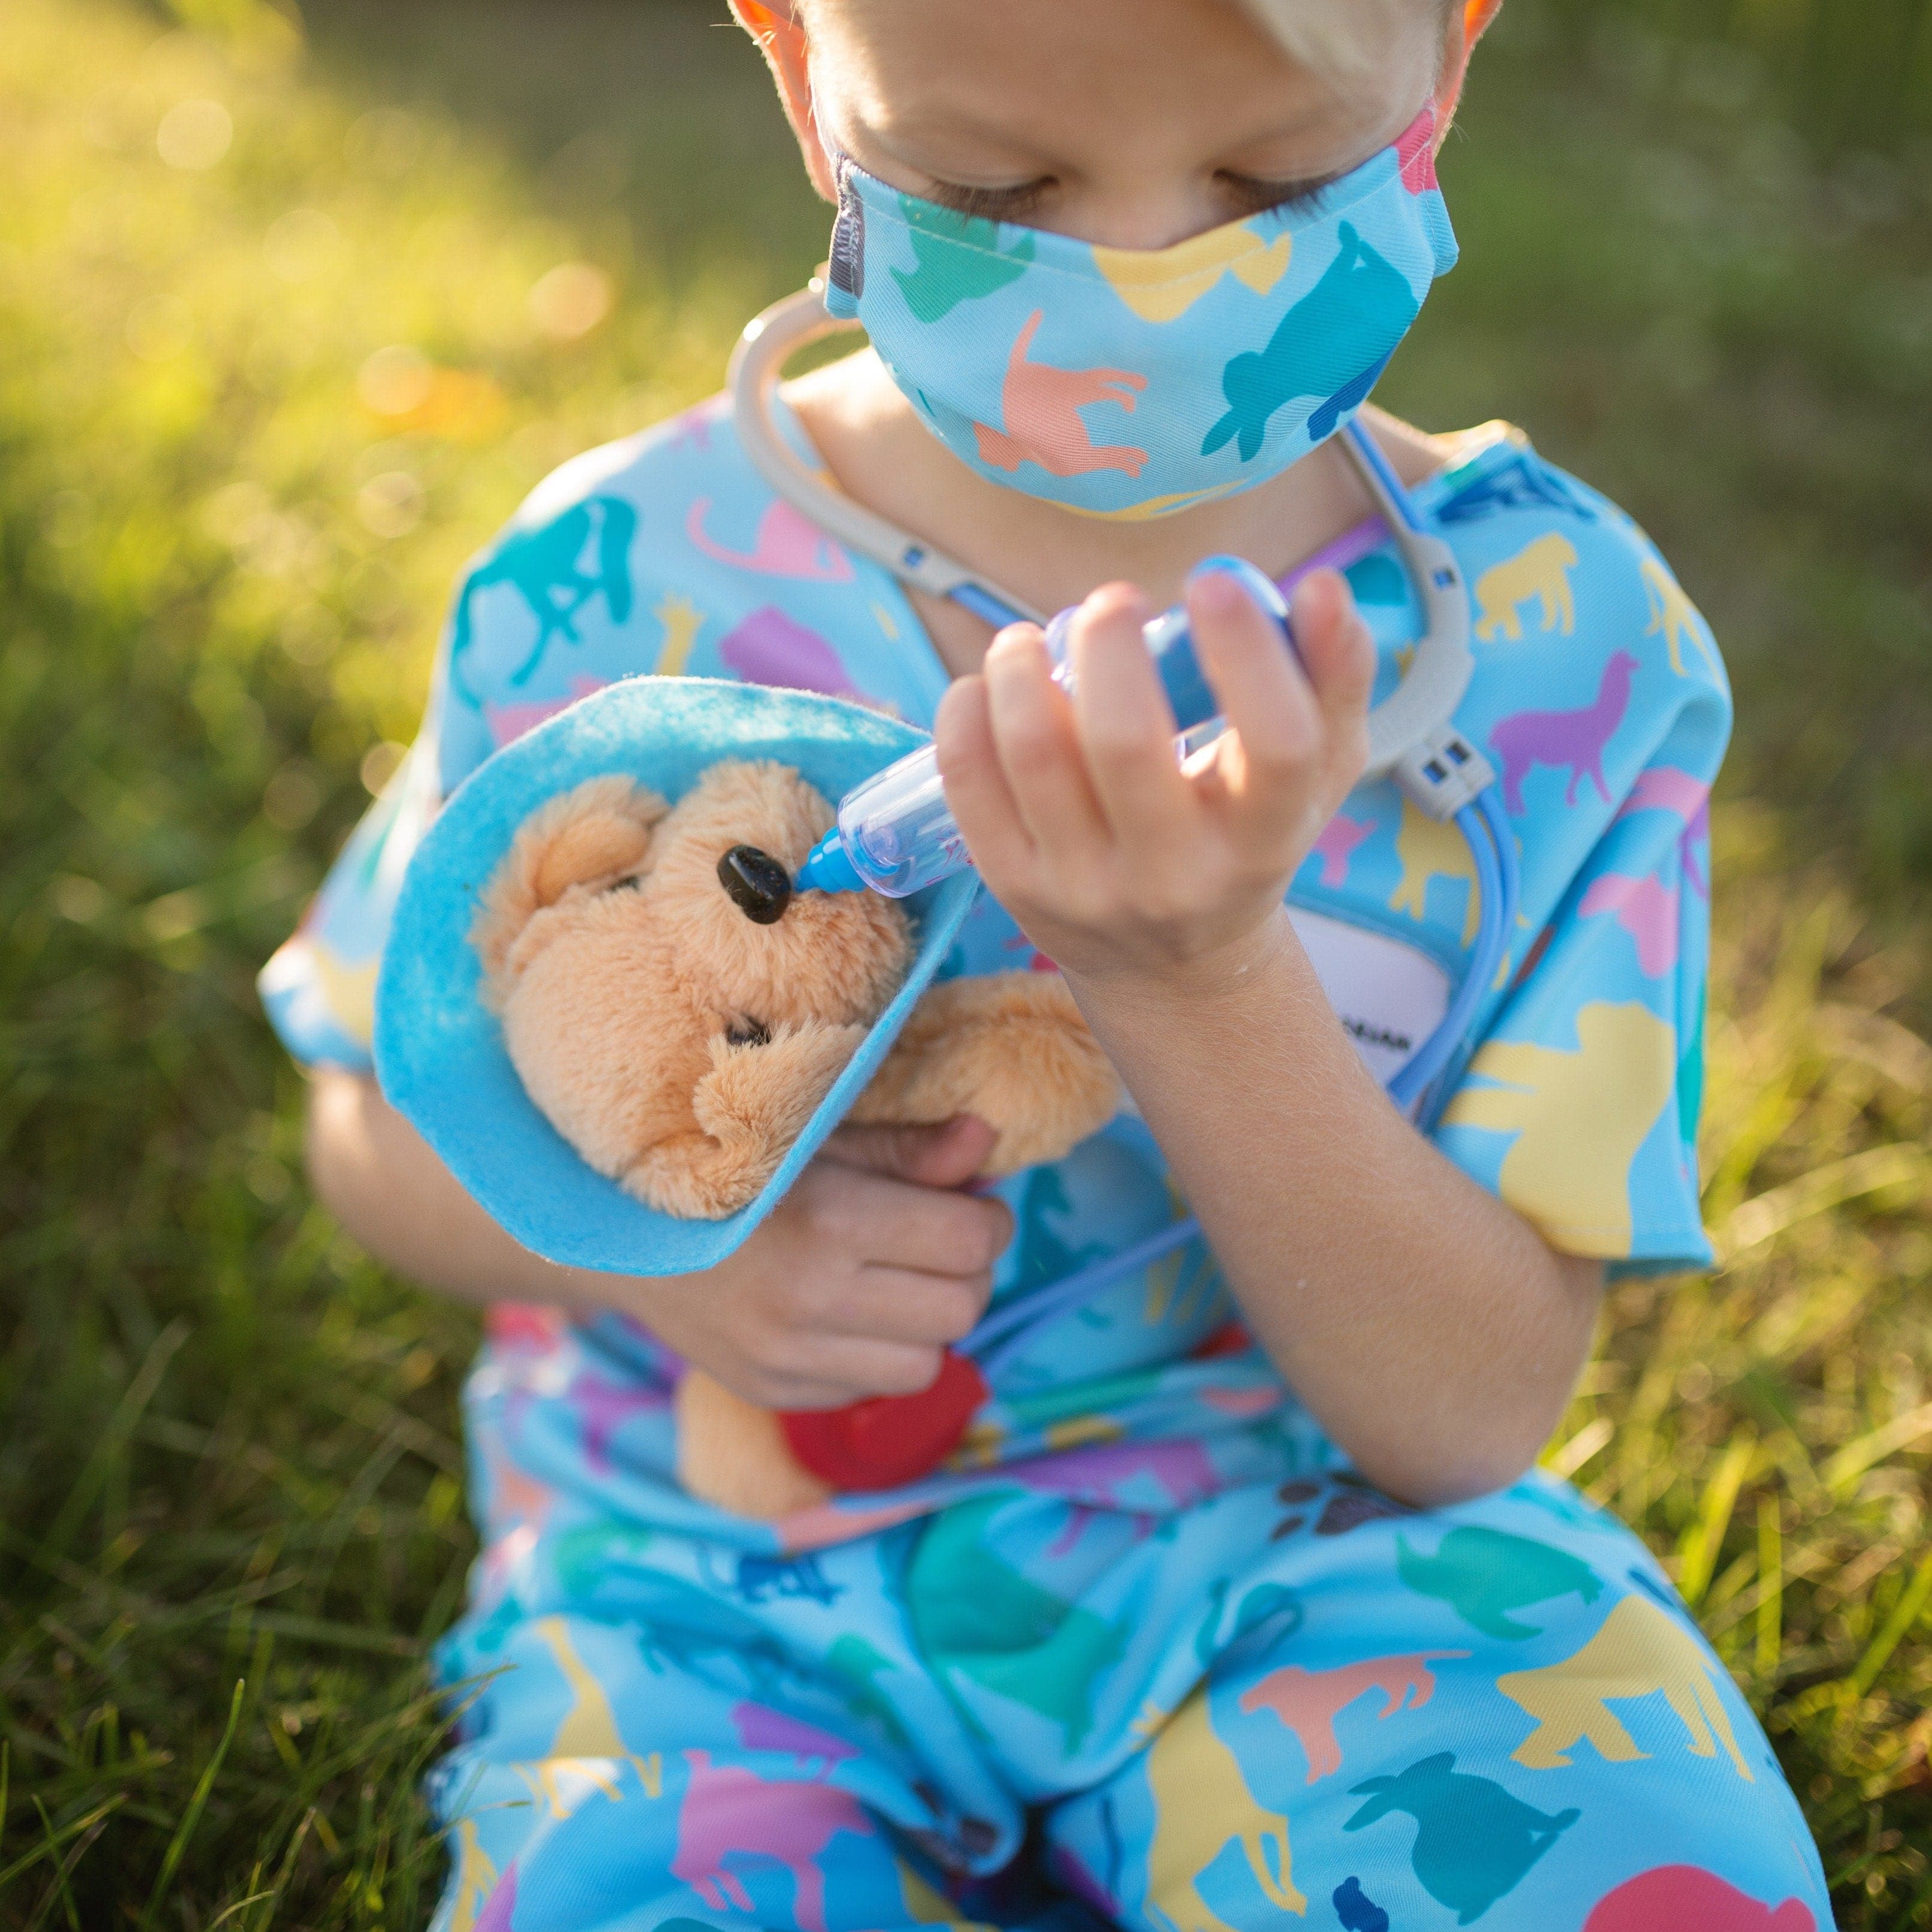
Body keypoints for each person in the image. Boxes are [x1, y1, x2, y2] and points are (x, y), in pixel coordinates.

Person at [270, 0, 1835, 1925]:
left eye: (1271, 178)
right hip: (704, 1571)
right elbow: (369, 1112)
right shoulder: (616, 578)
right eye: (991, 188)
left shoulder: (1564, 654)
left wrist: (1201, 980)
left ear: (1443, 64)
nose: (1143, 273)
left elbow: (1466, 1411)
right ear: (803, 81)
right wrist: (667, 1259)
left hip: (1303, 1543)